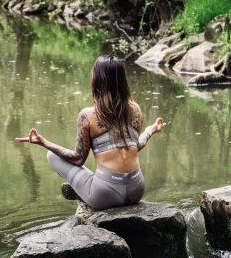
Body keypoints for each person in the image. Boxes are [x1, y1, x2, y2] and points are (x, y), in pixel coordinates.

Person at [15, 54, 166, 210]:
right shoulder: (135, 110)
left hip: (106, 195)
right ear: (122, 81)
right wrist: (150, 130)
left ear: (97, 80)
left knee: (52, 155)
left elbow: (78, 159)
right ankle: (87, 188)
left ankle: (83, 191)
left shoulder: (87, 116)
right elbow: (134, 146)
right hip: (136, 190)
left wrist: (44, 142)